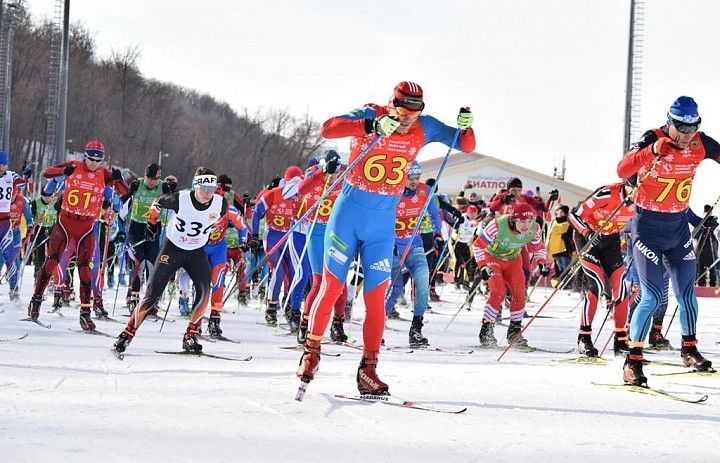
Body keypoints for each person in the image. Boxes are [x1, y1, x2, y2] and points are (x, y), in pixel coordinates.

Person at [297, 81, 475, 395]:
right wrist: (371, 125)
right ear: (391, 103)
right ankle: (311, 352)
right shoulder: (372, 112)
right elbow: (328, 128)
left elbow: (466, 145)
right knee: (332, 286)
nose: (406, 119)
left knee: (376, 297)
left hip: (381, 226)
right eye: (402, 110)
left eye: (414, 112)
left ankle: (368, 370)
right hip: (347, 217)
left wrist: (466, 127)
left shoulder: (424, 127)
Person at [617, 96, 720, 386]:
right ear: (669, 121)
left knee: (687, 293)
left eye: (692, 128)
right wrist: (651, 151)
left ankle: (689, 349)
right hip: (647, 230)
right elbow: (623, 170)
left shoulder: (701, 143)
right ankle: (632, 361)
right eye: (680, 128)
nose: (686, 135)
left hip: (677, 232)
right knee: (651, 297)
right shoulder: (653, 137)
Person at [113, 167, 227, 355]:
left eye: (212, 189)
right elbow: (157, 204)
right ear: (196, 186)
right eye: (204, 188)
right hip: (172, 249)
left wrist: (217, 228)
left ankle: (190, 335)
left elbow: (224, 218)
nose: (208, 193)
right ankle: (127, 334)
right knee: (152, 294)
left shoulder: (219, 203)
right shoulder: (180, 198)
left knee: (205, 291)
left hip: (196, 252)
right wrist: (152, 223)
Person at [27, 140, 127, 330]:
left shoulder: (103, 173)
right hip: (65, 223)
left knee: (85, 269)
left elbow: (122, 194)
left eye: (98, 160)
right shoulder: (73, 166)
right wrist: (61, 174)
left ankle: (85, 313)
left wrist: (118, 180)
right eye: (91, 159)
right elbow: (48, 174)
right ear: (85, 156)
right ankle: (36, 301)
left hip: (87, 227)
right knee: (52, 261)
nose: (94, 163)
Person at [568, 182, 635, 357]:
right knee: (595, 285)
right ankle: (584, 337)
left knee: (621, 288)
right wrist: (586, 233)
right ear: (627, 185)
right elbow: (574, 215)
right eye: (633, 189)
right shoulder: (607, 193)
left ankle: (620, 340)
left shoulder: (642, 199)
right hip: (589, 239)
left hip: (610, 240)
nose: (636, 193)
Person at [473, 203, 548, 347]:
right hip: (493, 258)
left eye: (529, 221)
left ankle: (514, 332)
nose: (526, 226)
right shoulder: (497, 225)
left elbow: (539, 247)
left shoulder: (534, 229)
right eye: (522, 222)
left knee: (520, 294)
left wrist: (541, 262)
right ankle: (486, 330)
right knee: (498, 292)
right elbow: (477, 246)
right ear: (514, 220)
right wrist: (482, 266)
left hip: (513, 261)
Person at [384, 161, 442, 346]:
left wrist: (436, 232)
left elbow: (434, 214)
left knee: (423, 282)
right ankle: (377, 327)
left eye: (417, 178)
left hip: (414, 243)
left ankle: (416, 329)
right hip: (393, 246)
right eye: (411, 178)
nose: (414, 182)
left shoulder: (424, 191)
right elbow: (380, 217)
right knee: (395, 288)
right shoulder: (393, 192)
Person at [295, 150, 349, 344]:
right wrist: (322, 173)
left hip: (338, 233)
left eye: (335, 171)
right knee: (318, 282)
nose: (333, 175)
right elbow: (300, 190)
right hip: (316, 231)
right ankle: (305, 324)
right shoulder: (314, 174)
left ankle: (338, 323)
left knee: (339, 282)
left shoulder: (345, 177)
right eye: (330, 170)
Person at [120, 163, 168, 314]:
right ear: (145, 176)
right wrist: (121, 226)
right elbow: (124, 202)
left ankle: (150, 300)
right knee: (138, 261)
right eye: (150, 179)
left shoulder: (163, 187)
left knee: (152, 263)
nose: (152, 182)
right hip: (136, 227)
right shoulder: (136, 184)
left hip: (154, 226)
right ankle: (133, 297)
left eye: (156, 179)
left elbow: (173, 202)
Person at [545, 205, 574, 280]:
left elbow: (570, 235)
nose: (559, 213)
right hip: (555, 249)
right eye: (558, 212)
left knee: (566, 267)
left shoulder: (569, 222)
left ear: (565, 213)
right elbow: (549, 234)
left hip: (564, 248)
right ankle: (561, 281)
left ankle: (568, 282)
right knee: (559, 267)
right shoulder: (553, 222)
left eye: (561, 212)